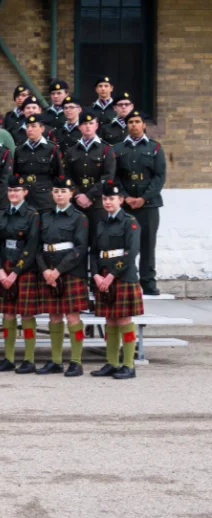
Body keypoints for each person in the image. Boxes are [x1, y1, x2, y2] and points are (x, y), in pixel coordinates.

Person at [35, 177, 90, 377]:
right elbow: (38, 247)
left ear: (71, 194)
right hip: (49, 271)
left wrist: (58, 270)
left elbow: (80, 248)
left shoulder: (79, 217)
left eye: (63, 191)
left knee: (72, 316)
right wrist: (45, 271)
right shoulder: (45, 217)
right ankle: (56, 361)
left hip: (70, 272)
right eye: (56, 191)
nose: (59, 194)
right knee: (54, 316)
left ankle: (76, 361)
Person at [0, 176, 42, 374]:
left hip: (24, 269)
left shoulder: (32, 215)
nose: (13, 194)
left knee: (26, 314)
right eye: (10, 190)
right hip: (5, 267)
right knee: (8, 314)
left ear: (25, 192)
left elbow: (32, 246)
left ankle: (29, 359)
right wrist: (1, 270)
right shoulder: (1, 214)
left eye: (17, 190)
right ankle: (8, 358)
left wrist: (16, 272)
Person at [90, 181, 143, 380]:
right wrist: (96, 275)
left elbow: (131, 253)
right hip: (103, 276)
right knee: (109, 321)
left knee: (124, 320)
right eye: (104, 199)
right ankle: (112, 363)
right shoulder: (101, 222)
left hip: (122, 277)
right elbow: (94, 252)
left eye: (112, 198)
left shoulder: (130, 222)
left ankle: (128, 365)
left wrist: (112, 275)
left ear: (120, 199)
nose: (108, 202)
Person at [113, 110, 166, 295]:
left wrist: (144, 198)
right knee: (124, 244)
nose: (134, 125)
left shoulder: (155, 148)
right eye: (130, 122)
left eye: (137, 121)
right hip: (125, 205)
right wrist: (126, 197)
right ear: (126, 126)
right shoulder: (118, 149)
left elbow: (159, 177)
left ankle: (148, 282)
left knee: (147, 244)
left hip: (149, 205)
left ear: (144, 125)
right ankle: (124, 280)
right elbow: (115, 177)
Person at [64, 112, 116, 233]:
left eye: (91, 123)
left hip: (98, 203)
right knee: (79, 241)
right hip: (76, 203)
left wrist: (89, 196)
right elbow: (67, 176)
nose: (88, 126)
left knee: (97, 241)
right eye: (84, 123)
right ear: (79, 127)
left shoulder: (106, 149)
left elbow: (108, 176)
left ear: (96, 126)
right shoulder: (72, 150)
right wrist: (77, 194)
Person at [13, 115, 63, 214]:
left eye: (33, 126)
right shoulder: (19, 149)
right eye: (27, 126)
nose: (29, 129)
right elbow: (15, 173)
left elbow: (59, 174)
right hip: (25, 196)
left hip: (44, 197)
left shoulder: (51, 148)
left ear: (42, 128)